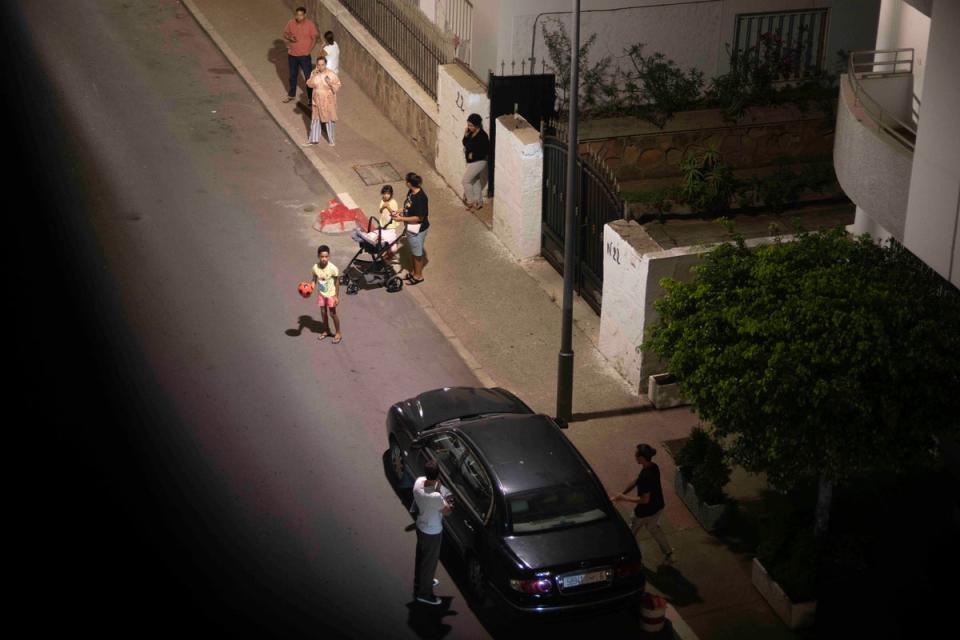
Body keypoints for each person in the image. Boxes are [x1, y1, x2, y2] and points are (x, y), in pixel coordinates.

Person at [610, 443, 675, 565]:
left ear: (641, 458)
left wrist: (623, 497)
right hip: (658, 507)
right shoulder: (653, 467)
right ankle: (669, 554)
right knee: (653, 528)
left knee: (630, 535)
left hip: (644, 512)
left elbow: (645, 500)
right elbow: (636, 481)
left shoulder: (646, 476)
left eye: (636, 454)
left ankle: (631, 558)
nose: (634, 455)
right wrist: (622, 493)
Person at [412, 460, 452, 606]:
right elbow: (447, 511)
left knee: (421, 556)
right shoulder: (435, 497)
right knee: (430, 562)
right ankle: (425, 593)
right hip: (432, 532)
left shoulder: (418, 482)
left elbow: (429, 486)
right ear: (438, 475)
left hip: (421, 526)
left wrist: (436, 486)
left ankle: (421, 581)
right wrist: (443, 494)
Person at [392, 173, 429, 284]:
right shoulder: (412, 192)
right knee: (413, 250)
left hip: (417, 228)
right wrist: (399, 210)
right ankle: (414, 272)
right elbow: (408, 206)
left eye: (406, 181)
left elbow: (419, 217)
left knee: (417, 253)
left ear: (408, 183)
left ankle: (418, 276)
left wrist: (401, 218)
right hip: (411, 226)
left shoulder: (421, 198)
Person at [282, 7, 319, 105]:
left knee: (308, 78)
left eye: (301, 15)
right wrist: (289, 37)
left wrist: (309, 51)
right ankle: (291, 95)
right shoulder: (291, 23)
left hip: (304, 56)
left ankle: (311, 98)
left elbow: (314, 38)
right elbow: (285, 33)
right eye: (297, 15)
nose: (298, 17)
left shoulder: (310, 24)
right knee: (292, 76)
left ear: (305, 15)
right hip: (292, 55)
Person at [305, 57, 341, 146]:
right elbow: (309, 84)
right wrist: (314, 75)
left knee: (329, 120)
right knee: (315, 119)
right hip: (316, 99)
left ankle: (331, 140)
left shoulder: (331, 74)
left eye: (323, 65)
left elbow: (337, 86)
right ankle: (313, 139)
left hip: (327, 100)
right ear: (317, 65)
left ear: (325, 64)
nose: (321, 67)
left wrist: (330, 83)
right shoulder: (314, 73)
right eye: (319, 65)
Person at [311, 244, 342, 343]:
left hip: (331, 295)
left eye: (326, 256)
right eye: (322, 256)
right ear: (318, 256)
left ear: (329, 256)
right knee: (323, 313)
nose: (324, 259)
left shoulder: (333, 268)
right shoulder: (315, 267)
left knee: (332, 314)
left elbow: (337, 282)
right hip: (321, 294)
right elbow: (314, 279)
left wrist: (336, 296)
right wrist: (310, 287)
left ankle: (338, 333)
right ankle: (326, 330)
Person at [461, 113, 489, 211]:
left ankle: (470, 201)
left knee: (466, 181)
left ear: (477, 125)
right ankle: (478, 202)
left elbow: (485, 151)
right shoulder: (470, 132)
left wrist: (473, 154)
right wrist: (465, 136)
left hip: (480, 161)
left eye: (471, 125)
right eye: (468, 125)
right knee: (475, 180)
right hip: (472, 162)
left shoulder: (483, 136)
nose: (469, 127)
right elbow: (465, 143)